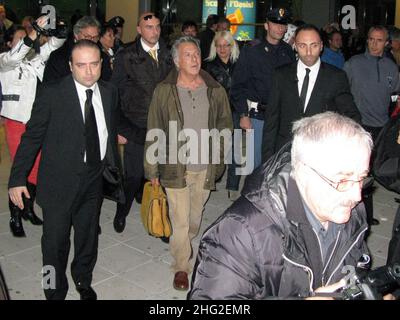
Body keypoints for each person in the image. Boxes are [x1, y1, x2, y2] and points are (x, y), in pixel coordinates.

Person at [189, 112, 373, 300]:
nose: (357, 195)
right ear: (303, 171)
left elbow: (356, 267)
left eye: (361, 178)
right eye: (342, 180)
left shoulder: (353, 212)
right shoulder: (241, 233)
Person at [8, 40, 121, 300]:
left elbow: (108, 131)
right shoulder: (51, 93)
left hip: (93, 179)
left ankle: (83, 279)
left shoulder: (108, 92)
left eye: (94, 64)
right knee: (53, 245)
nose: (89, 71)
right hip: (58, 183)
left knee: (87, 238)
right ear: (70, 66)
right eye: (81, 65)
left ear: (101, 65)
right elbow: (32, 138)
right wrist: (17, 178)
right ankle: (52, 288)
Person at [144, 36, 233, 291]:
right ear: (176, 61)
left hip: (204, 166)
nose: (194, 59)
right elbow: (154, 128)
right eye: (188, 55)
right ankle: (181, 266)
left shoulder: (214, 88)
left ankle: (185, 241)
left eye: (196, 54)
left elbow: (225, 125)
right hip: (175, 167)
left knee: (195, 216)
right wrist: (152, 168)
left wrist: (219, 154)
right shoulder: (164, 90)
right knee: (180, 219)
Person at [0, 17, 66, 237]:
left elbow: (55, 44)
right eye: (19, 39)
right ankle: (15, 216)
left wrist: (59, 29)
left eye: (27, 39)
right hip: (16, 122)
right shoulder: (4, 61)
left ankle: (27, 208)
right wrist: (33, 32)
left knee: (37, 170)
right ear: (10, 43)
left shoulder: (36, 59)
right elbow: (17, 54)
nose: (26, 43)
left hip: (36, 123)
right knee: (21, 168)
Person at [111, 12, 173, 233]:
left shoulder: (169, 53)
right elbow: (113, 94)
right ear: (139, 29)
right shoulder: (126, 55)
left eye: (157, 27)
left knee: (163, 175)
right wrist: (118, 128)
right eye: (148, 27)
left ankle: (161, 218)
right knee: (134, 175)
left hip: (165, 126)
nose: (154, 31)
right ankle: (122, 211)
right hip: (136, 125)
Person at [262, 24, 360, 162]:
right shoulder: (281, 75)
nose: (308, 52)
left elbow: (352, 116)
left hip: (321, 155)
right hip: (285, 153)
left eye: (313, 45)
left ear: (321, 46)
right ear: (295, 46)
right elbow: (271, 121)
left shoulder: (336, 76)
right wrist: (267, 161)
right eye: (302, 45)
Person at [344, 25, 399, 226]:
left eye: (379, 40)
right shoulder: (353, 64)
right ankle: (359, 214)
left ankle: (366, 214)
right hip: (359, 125)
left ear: (387, 43)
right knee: (358, 171)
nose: (374, 44)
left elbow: (395, 97)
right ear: (367, 40)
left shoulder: (391, 68)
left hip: (382, 127)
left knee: (374, 171)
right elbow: (342, 92)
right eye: (371, 39)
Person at [230, 7, 295, 171]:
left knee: (279, 163)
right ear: (266, 26)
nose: (279, 28)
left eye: (283, 25)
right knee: (255, 166)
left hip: (280, 116)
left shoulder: (287, 51)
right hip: (258, 116)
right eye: (275, 24)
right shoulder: (252, 50)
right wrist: (243, 115)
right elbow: (238, 85)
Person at [205, 31, 241, 200]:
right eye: (219, 45)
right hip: (216, 113)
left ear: (232, 46)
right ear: (214, 47)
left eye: (226, 45)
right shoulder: (208, 66)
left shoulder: (240, 64)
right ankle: (211, 179)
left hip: (236, 111)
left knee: (236, 150)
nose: (222, 49)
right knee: (215, 149)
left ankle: (233, 185)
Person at [43, 15, 111, 83]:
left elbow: (105, 85)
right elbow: (49, 88)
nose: (92, 40)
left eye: (95, 37)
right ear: (76, 35)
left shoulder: (103, 57)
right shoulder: (59, 57)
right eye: (88, 36)